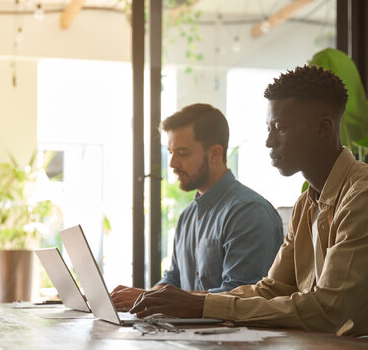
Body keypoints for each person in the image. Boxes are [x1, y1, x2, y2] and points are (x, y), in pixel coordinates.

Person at [128, 66, 368, 336]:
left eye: (279, 128)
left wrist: (201, 305)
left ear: (324, 128)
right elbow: (274, 288)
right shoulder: (308, 204)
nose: (268, 141)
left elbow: (327, 309)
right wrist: (195, 304)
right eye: (268, 128)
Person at [111, 103, 283, 310]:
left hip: (233, 340)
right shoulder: (188, 216)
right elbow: (173, 279)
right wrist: (136, 300)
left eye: (182, 153)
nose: (172, 163)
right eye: (171, 152)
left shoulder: (249, 212)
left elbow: (240, 296)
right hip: (186, 337)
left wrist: (148, 297)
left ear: (215, 154)